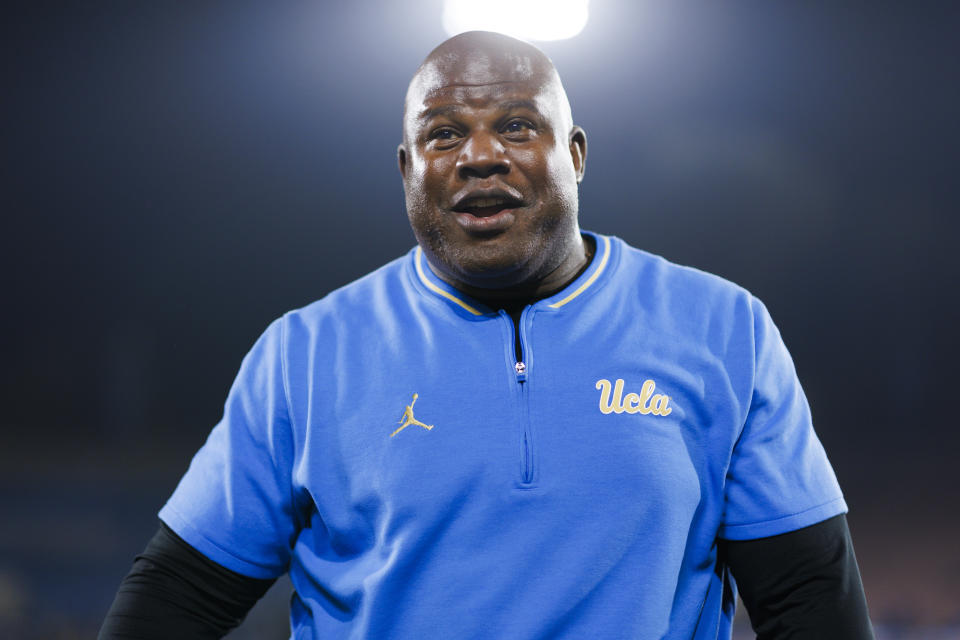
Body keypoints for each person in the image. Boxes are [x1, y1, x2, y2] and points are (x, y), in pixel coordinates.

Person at [99, 31, 873, 639]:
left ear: (574, 155)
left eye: (516, 125)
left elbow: (808, 601)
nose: (479, 156)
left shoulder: (722, 327)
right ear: (408, 170)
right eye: (443, 134)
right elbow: (179, 596)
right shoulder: (304, 353)